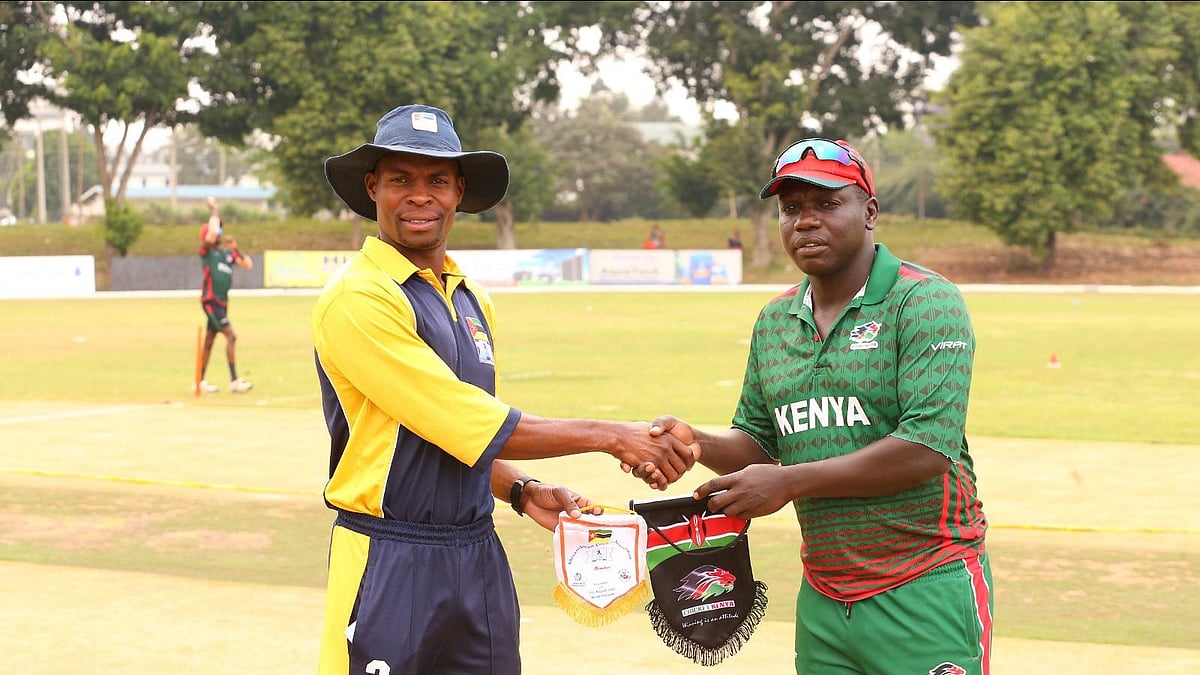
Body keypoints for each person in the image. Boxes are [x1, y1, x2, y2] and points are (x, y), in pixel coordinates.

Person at [313, 103, 698, 674]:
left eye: (437, 180)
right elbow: (469, 422)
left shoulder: (470, 299)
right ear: (373, 188)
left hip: (477, 557)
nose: (420, 196)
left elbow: (452, 441)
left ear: (459, 191)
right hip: (389, 555)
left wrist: (521, 490)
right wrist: (615, 436)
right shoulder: (359, 297)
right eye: (400, 179)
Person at [649, 138, 992, 675]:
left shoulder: (924, 300)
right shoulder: (776, 320)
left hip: (925, 581)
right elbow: (759, 442)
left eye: (828, 203)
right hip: (825, 597)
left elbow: (926, 447)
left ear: (869, 211)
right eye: (791, 208)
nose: (805, 221)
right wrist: (697, 444)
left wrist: (788, 482)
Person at [197, 196, 253, 393]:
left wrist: (236, 248)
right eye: (216, 230)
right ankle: (234, 381)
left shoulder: (226, 254)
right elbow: (212, 233)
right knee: (231, 336)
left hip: (222, 303)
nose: (218, 232)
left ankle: (199, 382)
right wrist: (214, 209)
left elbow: (248, 264)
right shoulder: (206, 251)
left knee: (209, 341)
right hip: (211, 301)